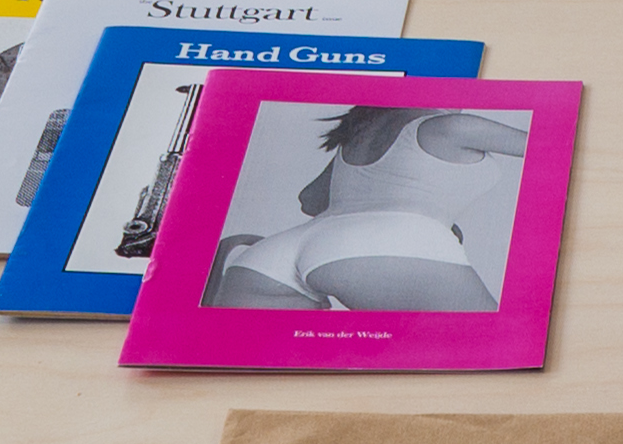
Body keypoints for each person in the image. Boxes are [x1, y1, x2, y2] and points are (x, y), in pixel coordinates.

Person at [210, 107, 530, 313]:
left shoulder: (360, 132)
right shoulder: (455, 125)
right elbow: (563, 145)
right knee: (492, 352)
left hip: (272, 256)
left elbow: (310, 200)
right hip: (393, 243)